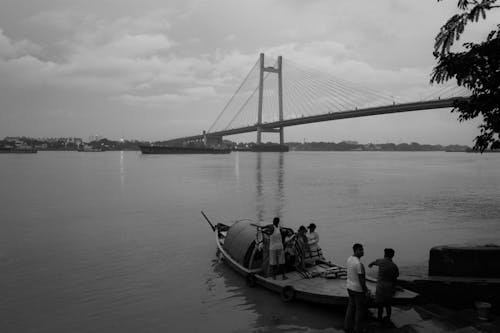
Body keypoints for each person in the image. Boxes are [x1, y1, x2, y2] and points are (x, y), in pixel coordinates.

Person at [368, 248, 400, 322]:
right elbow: (396, 276)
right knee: (388, 305)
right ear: (392, 256)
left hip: (380, 288)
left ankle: (379, 319)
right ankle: (388, 318)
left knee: (380, 305)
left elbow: (373, 262)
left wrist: (370, 265)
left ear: (384, 254)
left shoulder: (380, 261)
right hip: (389, 288)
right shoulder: (394, 266)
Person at [344, 243, 369, 333]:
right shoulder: (359, 264)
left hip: (349, 287)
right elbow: (362, 281)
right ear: (356, 251)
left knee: (350, 307)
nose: (363, 252)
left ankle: (347, 327)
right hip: (358, 290)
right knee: (359, 310)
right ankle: (357, 329)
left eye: (362, 250)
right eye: (360, 250)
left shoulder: (349, 259)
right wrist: (366, 291)